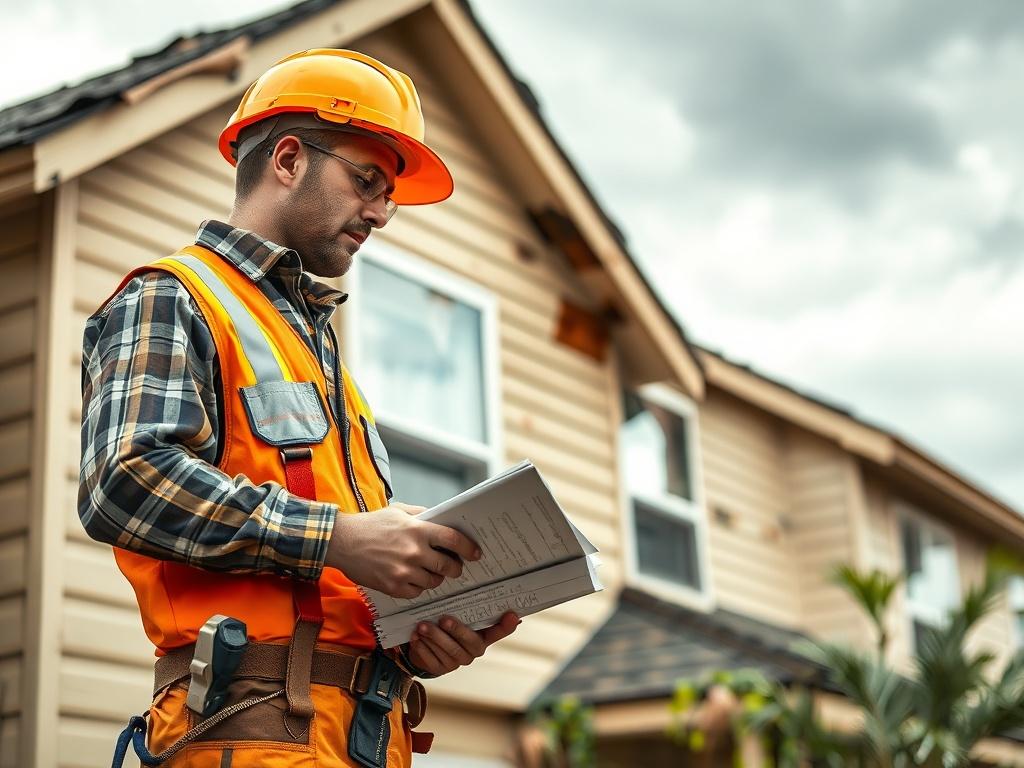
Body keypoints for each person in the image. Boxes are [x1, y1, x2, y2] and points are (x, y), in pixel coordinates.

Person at [80, 48, 519, 768]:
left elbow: (329, 572)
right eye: (366, 179)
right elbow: (124, 480)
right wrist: (340, 539)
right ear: (287, 159)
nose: (381, 211)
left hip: (361, 737)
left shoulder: (323, 361)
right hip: (251, 732)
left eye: (389, 194)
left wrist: (413, 639)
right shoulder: (173, 297)